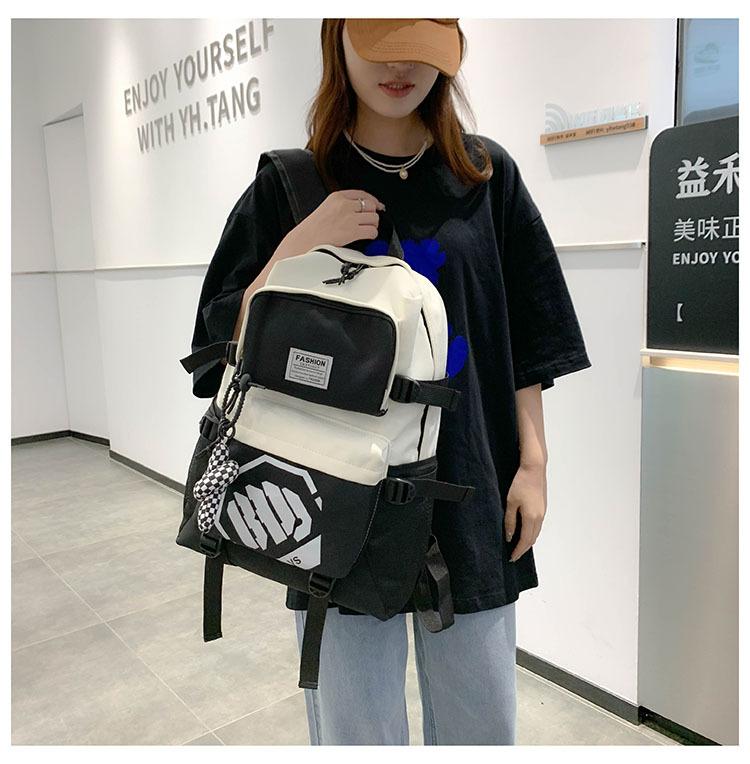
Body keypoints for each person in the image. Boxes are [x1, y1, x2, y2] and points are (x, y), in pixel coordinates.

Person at [189, 18, 592, 746]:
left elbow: (527, 337)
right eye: (379, 41)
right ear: (337, 38)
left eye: (419, 46)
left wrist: (534, 463)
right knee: (356, 733)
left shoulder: (485, 177)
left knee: (481, 726)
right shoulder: (291, 183)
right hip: (336, 494)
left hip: (469, 485)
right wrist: (297, 246)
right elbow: (223, 343)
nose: (400, 65)